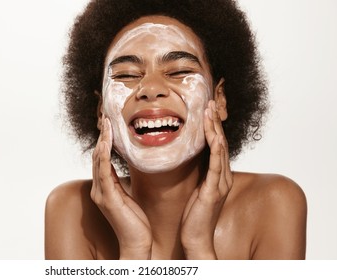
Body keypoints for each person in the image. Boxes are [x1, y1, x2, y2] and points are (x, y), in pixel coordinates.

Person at [45, 0, 307, 260]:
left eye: (179, 71)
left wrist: (199, 245)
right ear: (101, 110)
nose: (150, 89)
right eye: (127, 74)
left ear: (220, 100)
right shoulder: (72, 210)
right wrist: (134, 249)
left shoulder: (273, 204)